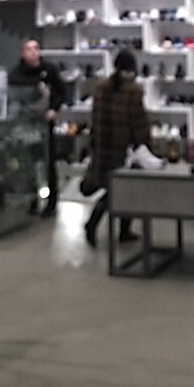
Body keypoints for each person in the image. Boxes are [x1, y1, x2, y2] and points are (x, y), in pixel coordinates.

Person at [84, 47, 151, 249]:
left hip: (104, 145)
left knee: (114, 187)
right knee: (124, 188)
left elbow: (95, 117)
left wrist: (94, 142)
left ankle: (113, 228)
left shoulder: (101, 87)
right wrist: (146, 146)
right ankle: (100, 225)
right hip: (124, 148)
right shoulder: (133, 90)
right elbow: (139, 122)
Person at [8, 37, 65, 216]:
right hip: (25, 124)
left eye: (36, 48)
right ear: (22, 53)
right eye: (29, 49)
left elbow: (61, 91)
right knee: (28, 163)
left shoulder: (49, 69)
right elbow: (13, 95)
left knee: (48, 162)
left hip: (45, 123)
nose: (33, 52)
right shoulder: (16, 74)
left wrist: (54, 109)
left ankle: (52, 202)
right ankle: (31, 200)